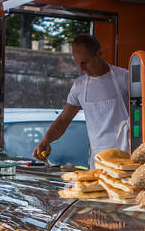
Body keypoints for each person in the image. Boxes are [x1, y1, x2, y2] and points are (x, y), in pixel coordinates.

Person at [33, 34, 131, 166]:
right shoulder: (79, 86)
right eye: (78, 63)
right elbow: (63, 119)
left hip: (126, 159)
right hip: (97, 162)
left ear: (100, 54)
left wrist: (136, 130)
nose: (81, 68)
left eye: (85, 62)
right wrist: (46, 140)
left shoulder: (124, 78)